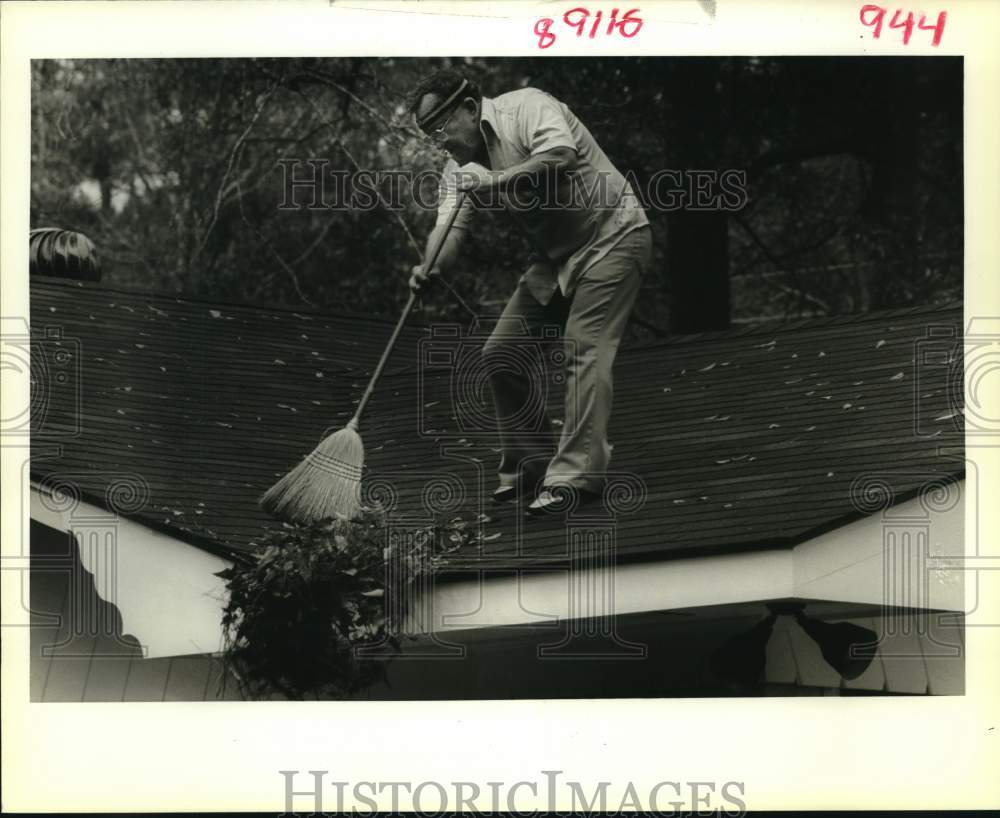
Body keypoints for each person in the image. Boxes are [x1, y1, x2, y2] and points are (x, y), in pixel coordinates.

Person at [409, 70, 651, 515]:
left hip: (615, 235)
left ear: (468, 107)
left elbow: (560, 154)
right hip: (559, 259)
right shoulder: (458, 173)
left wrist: (494, 182)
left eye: (441, 126)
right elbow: (448, 230)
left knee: (584, 345)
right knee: (501, 354)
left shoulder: (526, 107)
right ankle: (534, 461)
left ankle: (576, 477)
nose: (439, 140)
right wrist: (428, 268)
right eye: (429, 134)